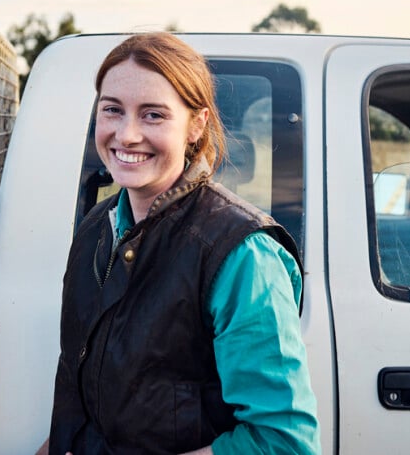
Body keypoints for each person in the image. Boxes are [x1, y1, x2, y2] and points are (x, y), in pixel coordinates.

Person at [43, 32, 319, 455]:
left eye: (153, 115)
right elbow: (84, 397)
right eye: (112, 110)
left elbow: (283, 442)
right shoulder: (98, 225)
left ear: (196, 125)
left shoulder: (242, 255)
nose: (127, 134)